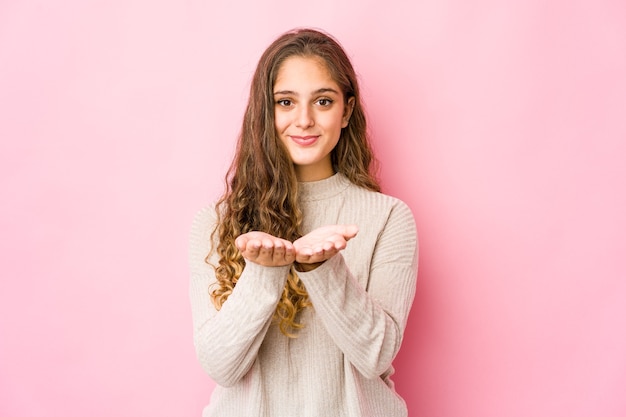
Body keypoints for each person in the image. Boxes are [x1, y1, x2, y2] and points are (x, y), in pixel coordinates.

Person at [189, 27, 418, 417]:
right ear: (266, 110)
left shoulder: (389, 217)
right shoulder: (217, 220)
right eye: (285, 102)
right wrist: (263, 272)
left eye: (323, 101)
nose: (304, 120)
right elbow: (220, 366)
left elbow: (376, 356)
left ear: (346, 111)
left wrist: (323, 268)